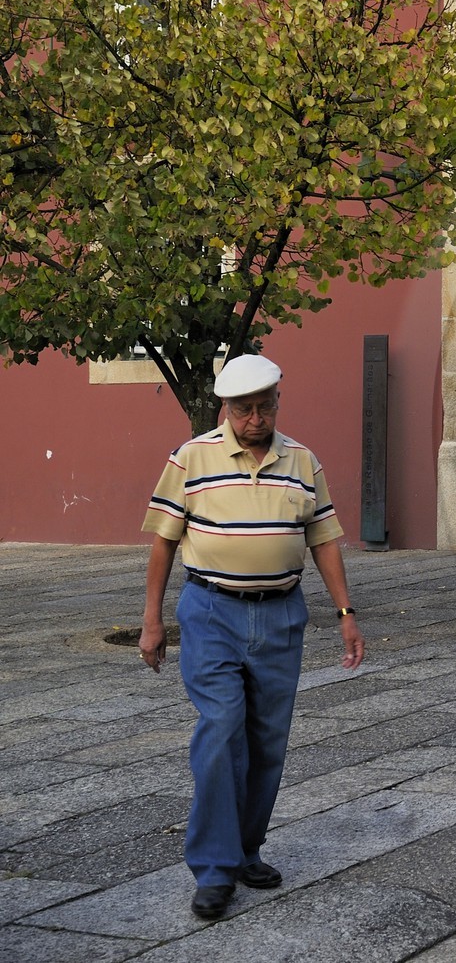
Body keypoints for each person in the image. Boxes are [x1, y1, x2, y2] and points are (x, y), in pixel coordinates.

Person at [139, 354, 365, 921]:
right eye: (244, 410)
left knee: (267, 741)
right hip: (210, 612)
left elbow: (325, 539)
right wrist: (152, 619)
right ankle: (215, 870)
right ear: (225, 408)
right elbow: (165, 541)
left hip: (281, 615)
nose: (256, 419)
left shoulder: (302, 460)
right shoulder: (190, 458)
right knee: (220, 732)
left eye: (266, 406)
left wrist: (345, 612)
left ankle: (246, 850)